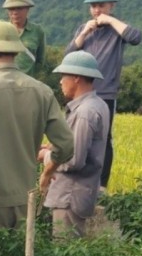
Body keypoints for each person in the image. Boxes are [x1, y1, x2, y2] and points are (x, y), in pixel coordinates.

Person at [0, 20, 74, 231]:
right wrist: (48, 169)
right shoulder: (42, 91)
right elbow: (66, 144)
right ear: (16, 53)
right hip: (25, 197)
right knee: (23, 252)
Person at [67, 0, 142, 191]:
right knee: (77, 134)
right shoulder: (84, 29)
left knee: (103, 138)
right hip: (80, 93)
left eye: (101, 5)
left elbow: (135, 37)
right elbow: (69, 55)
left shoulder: (117, 30)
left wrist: (110, 20)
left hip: (106, 93)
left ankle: (101, 185)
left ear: (111, 6)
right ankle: (76, 177)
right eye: (93, 6)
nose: (96, 10)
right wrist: (84, 32)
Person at [41, 51, 109, 237]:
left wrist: (46, 156)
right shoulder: (99, 104)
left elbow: (74, 160)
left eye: (64, 76)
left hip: (70, 196)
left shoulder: (84, 112)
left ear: (76, 78)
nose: (61, 82)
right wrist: (53, 148)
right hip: (80, 193)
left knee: (65, 247)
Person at [2, 0, 46, 78]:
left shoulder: (37, 31)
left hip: (27, 82)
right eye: (11, 9)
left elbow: (40, 62)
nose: (15, 12)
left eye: (19, 8)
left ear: (27, 9)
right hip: (4, 80)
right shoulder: (1, 29)